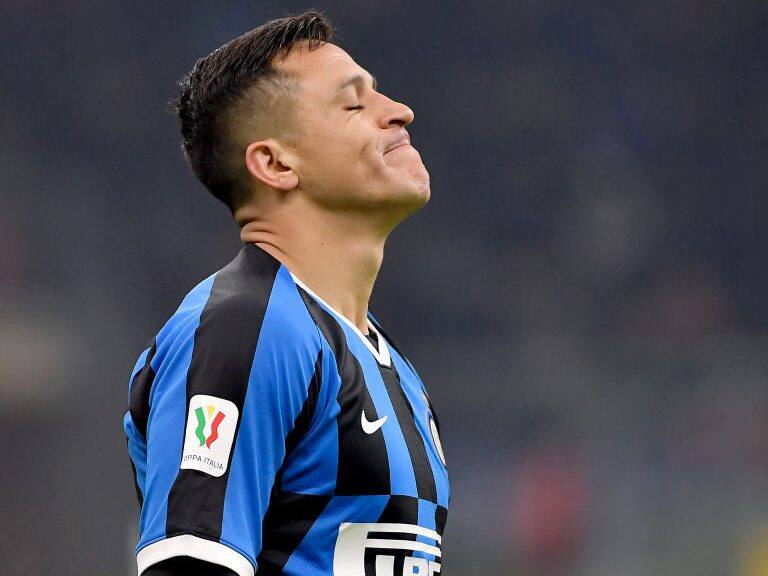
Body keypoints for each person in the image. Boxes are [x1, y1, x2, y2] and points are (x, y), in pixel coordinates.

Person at [123, 10, 450, 576]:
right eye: (354, 105)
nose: (400, 111)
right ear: (275, 163)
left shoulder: (391, 367)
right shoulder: (244, 330)